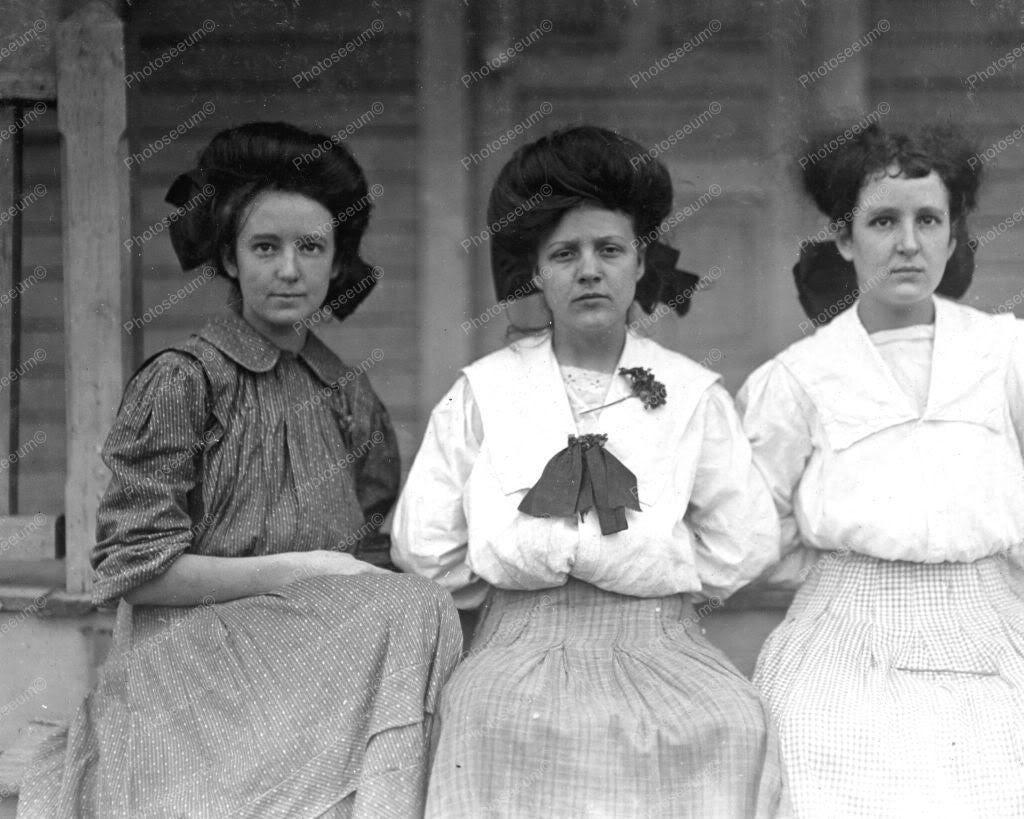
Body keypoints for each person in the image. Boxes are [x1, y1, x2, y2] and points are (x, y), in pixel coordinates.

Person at [18, 122, 461, 818]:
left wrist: (334, 575)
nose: (290, 269)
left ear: (338, 260)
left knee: (421, 606)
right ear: (228, 257)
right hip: (191, 679)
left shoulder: (348, 398)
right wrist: (303, 567)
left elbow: (369, 564)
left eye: (311, 247)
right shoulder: (184, 383)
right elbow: (137, 568)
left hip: (312, 682)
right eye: (265, 247)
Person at [392, 125, 785, 817]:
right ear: (535, 273)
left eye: (609, 249)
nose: (589, 270)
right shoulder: (484, 390)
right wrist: (514, 592)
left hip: (659, 642)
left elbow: (744, 537)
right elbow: (425, 541)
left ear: (641, 261)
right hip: (519, 645)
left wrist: (656, 579)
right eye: (564, 254)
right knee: (486, 719)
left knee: (732, 722)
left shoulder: (690, 393)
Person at [738, 121, 1024, 817]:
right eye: (883, 220)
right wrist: (850, 575)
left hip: (991, 636)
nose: (907, 243)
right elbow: (751, 528)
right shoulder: (798, 378)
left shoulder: (1005, 354)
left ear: (953, 235)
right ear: (843, 237)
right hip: (840, 649)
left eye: (929, 219)